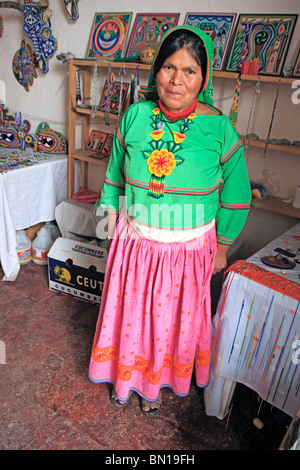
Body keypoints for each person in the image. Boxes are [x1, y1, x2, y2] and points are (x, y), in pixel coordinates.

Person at [88, 25, 251, 416]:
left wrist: (223, 246)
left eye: (190, 70)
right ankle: (127, 378)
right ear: (155, 71)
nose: (177, 80)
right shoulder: (135, 117)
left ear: (204, 77)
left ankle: (154, 386)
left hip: (188, 252)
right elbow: (113, 176)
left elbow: (237, 196)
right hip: (136, 244)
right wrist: (110, 220)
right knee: (132, 316)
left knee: (167, 321)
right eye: (168, 67)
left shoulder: (219, 129)